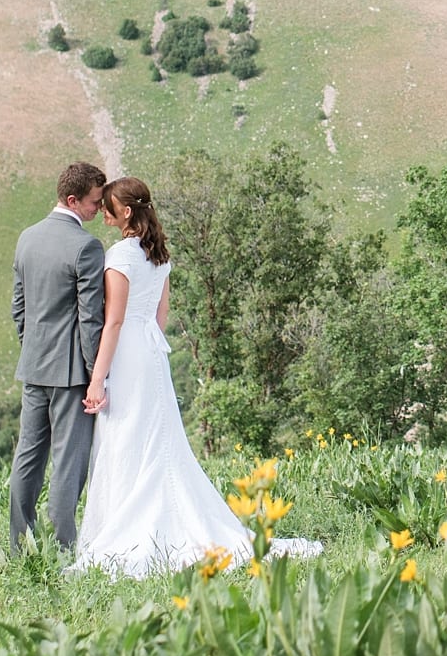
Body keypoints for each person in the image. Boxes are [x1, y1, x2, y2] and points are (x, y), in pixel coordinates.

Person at [69, 175, 321, 576]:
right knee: (157, 436)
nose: (102, 210)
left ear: (126, 212)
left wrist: (97, 379)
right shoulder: (158, 255)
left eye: (109, 206)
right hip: (152, 352)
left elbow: (113, 323)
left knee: (125, 437)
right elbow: (161, 318)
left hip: (128, 351)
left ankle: (125, 527)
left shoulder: (119, 256)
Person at [7, 161, 108, 553]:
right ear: (73, 200)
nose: (98, 210)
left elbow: (19, 308)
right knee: (69, 462)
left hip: (33, 366)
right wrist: (95, 374)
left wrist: (32, 347)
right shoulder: (86, 246)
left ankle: (21, 544)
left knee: (28, 455)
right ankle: (64, 547)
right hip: (71, 373)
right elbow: (90, 319)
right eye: (94, 203)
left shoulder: (26, 238)